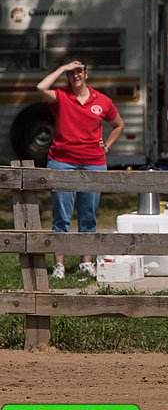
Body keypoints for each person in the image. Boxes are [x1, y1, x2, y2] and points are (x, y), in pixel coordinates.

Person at [36, 60, 125, 279]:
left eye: (78, 71)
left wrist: (108, 145)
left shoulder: (102, 101)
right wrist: (60, 69)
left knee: (88, 216)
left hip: (93, 162)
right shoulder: (61, 97)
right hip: (61, 161)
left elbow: (118, 125)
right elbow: (40, 88)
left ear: (86, 73)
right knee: (61, 217)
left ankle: (86, 263)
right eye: (70, 73)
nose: (75, 76)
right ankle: (59, 265)